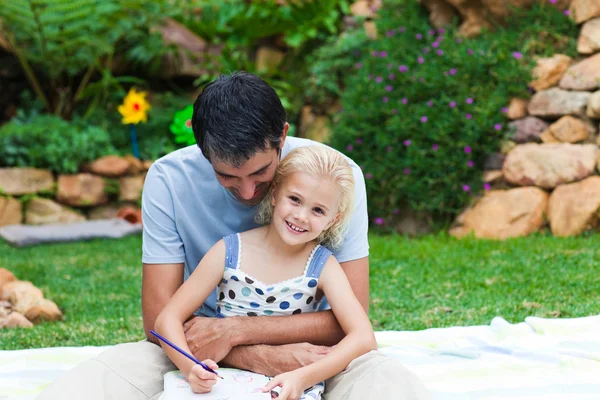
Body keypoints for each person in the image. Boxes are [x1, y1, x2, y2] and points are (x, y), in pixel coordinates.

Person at [36, 72, 431, 400]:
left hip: (311, 353)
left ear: (283, 136)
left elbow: (353, 320)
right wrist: (250, 355)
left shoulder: (333, 179)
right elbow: (160, 320)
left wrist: (238, 333)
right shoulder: (168, 179)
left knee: (386, 383)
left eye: (261, 174)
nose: (247, 193)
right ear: (201, 149)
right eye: (227, 176)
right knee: (91, 385)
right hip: (195, 347)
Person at [155, 145, 377, 400]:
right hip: (222, 381)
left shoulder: (323, 266)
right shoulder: (228, 251)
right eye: (294, 199)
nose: (301, 216)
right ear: (274, 194)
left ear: (333, 220)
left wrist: (306, 376)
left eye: (318, 210)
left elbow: (363, 336)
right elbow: (167, 319)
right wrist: (190, 367)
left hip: (291, 385)